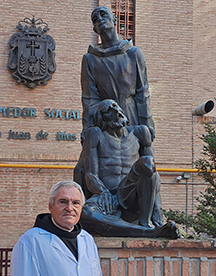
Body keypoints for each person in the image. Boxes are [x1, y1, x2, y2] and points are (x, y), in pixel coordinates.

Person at [75, 99, 178, 239]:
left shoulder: (140, 133)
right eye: (109, 110)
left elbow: (153, 175)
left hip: (130, 192)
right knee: (86, 213)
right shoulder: (95, 134)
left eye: (116, 107)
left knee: (147, 162)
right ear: (101, 117)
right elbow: (91, 174)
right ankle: (147, 232)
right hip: (105, 193)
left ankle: (145, 224)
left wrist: (158, 217)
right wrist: (103, 191)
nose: (116, 112)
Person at [81, 6, 155, 140]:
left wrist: (147, 125)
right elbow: (90, 99)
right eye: (95, 19)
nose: (99, 19)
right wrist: (88, 128)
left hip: (132, 118)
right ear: (95, 30)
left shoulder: (134, 54)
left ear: (114, 19)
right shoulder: (90, 59)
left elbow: (142, 93)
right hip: (106, 122)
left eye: (103, 14)